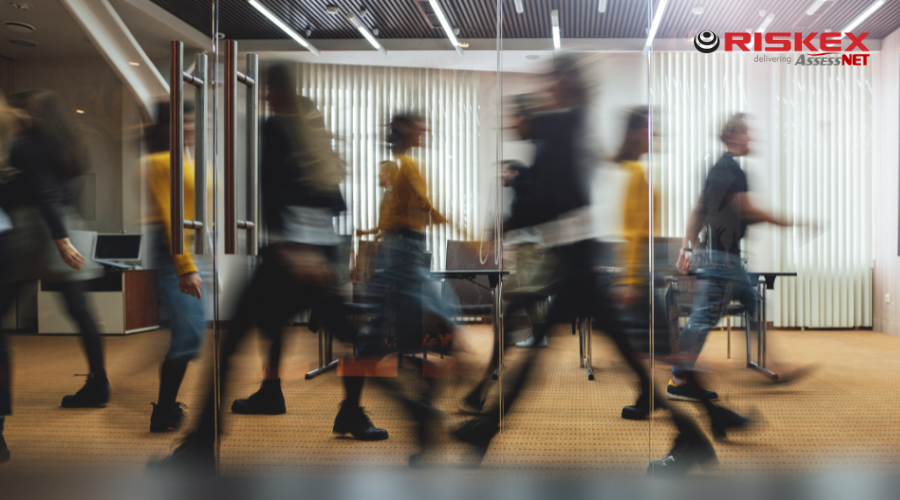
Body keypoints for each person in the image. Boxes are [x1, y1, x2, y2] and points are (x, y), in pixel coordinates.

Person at [152, 63, 354, 470]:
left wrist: (289, 245)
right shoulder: (316, 140)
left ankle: (200, 448)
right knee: (348, 335)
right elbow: (339, 204)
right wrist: (322, 254)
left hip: (288, 257)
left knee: (230, 347)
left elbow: (270, 195)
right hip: (325, 254)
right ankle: (401, 409)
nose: (264, 95)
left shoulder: (275, 128)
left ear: (278, 89)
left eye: (267, 88)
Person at [335, 113, 461, 464]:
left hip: (405, 254)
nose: (427, 130)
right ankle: (419, 412)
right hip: (405, 257)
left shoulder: (403, 168)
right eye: (421, 126)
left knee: (383, 339)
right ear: (407, 131)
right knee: (437, 334)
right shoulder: (406, 166)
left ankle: (354, 410)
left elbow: (396, 219)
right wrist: (456, 223)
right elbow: (424, 208)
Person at [4, 89, 108, 409]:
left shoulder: (25, 146)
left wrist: (60, 241)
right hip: (66, 222)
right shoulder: (64, 144)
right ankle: (99, 384)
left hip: (35, 229)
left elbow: (44, 193)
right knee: (80, 310)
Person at [142, 101, 207, 432]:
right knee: (189, 331)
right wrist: (184, 267)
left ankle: (166, 407)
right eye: (184, 122)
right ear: (168, 128)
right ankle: (164, 410)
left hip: (188, 248)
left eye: (193, 121)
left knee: (191, 330)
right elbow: (170, 218)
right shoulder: (161, 161)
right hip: (172, 249)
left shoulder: (184, 159)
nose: (191, 128)